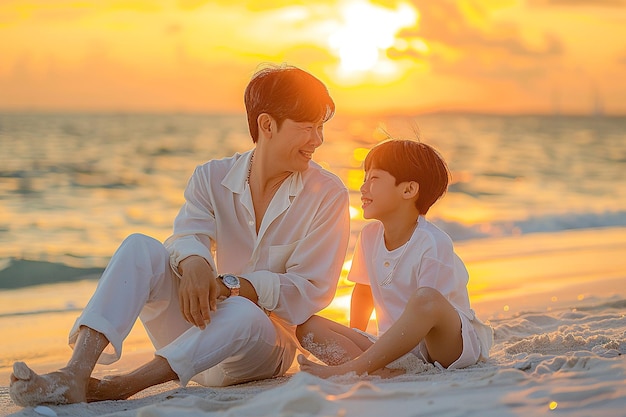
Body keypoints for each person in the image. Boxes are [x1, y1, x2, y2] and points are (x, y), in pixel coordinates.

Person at [9, 64, 351, 406]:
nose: (317, 141)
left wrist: (230, 285)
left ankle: (122, 385)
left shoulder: (326, 193)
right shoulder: (211, 176)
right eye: (308, 128)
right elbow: (188, 233)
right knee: (139, 247)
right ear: (267, 125)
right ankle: (76, 373)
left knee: (245, 311)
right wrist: (195, 263)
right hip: (196, 333)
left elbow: (310, 290)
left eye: (320, 128)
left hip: (263, 348)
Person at [297, 138, 493, 378]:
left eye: (374, 179)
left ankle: (353, 369)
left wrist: (364, 356)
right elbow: (364, 291)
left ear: (408, 190)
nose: (363, 187)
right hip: (396, 348)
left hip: (445, 346)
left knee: (425, 298)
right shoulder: (369, 236)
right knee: (308, 326)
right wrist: (355, 339)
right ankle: (378, 370)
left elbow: (429, 311)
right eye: (364, 178)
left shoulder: (432, 242)